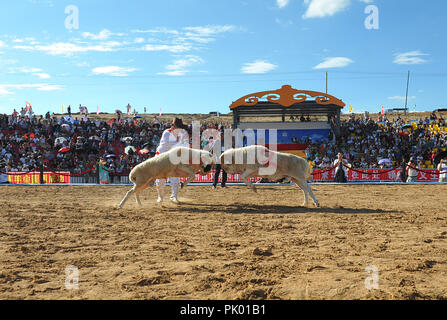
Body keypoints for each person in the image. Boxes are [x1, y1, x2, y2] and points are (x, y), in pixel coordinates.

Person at [155, 117, 189, 203]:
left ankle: (174, 197)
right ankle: (160, 197)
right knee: (160, 179)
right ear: (173, 126)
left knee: (175, 179)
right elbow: (173, 145)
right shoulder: (166, 133)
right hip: (162, 158)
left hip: (172, 158)